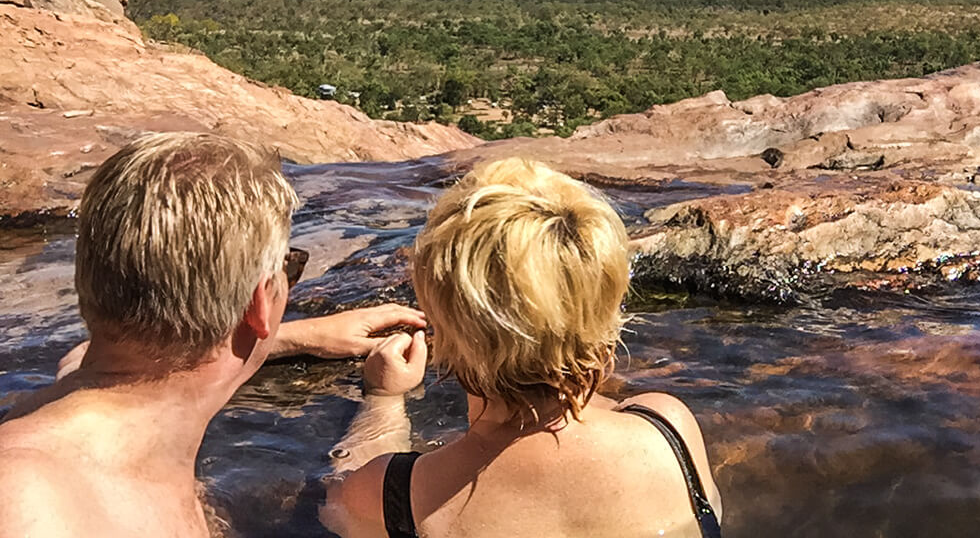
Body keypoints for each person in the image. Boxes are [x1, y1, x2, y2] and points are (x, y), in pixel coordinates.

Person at [0, 132, 426, 537]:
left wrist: (299, 335)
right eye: (290, 268)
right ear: (260, 305)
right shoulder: (25, 502)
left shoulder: (75, 407)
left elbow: (83, 359)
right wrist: (384, 401)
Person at [323, 158, 723, 538]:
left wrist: (383, 399)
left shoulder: (394, 496)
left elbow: (337, 507)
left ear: (442, 334)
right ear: (609, 311)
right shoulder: (669, 429)